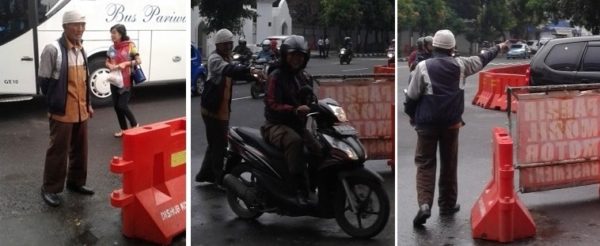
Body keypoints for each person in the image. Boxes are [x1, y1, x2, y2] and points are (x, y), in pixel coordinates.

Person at [405, 29, 509, 226]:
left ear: (433, 46)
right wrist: (499, 47)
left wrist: (412, 116)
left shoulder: (422, 66)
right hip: (451, 124)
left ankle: (424, 205)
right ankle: (447, 205)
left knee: (425, 164)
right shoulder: (461, 65)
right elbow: (483, 58)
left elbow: (411, 97)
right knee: (449, 164)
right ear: (453, 48)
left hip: (426, 124)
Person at [38, 10, 95, 207]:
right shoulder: (52, 49)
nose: (80, 29)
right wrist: (55, 103)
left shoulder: (81, 49)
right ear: (65, 27)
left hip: (81, 110)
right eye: (75, 25)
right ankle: (50, 188)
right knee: (58, 151)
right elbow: (44, 82)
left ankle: (76, 182)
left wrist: (88, 104)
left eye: (83, 25)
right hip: (62, 110)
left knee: (81, 149)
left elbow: (85, 81)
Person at [195, 29, 264, 185]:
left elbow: (237, 72)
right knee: (219, 145)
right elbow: (230, 70)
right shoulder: (214, 59)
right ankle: (219, 179)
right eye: (225, 44)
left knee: (215, 142)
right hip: (212, 109)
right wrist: (249, 70)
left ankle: (205, 174)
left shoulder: (228, 57)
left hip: (222, 108)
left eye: (230, 44)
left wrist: (253, 75)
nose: (228, 47)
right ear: (218, 45)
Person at [261, 35, 315, 205]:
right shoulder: (276, 76)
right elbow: (271, 103)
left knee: (319, 147)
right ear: (285, 55)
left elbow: (311, 98)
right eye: (293, 55)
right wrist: (294, 109)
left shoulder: (303, 76)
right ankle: (296, 189)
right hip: (276, 125)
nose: (296, 59)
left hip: (297, 124)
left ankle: (313, 185)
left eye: (300, 56)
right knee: (295, 142)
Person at [105, 24, 141, 137]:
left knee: (122, 105)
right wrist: (109, 65)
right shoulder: (112, 48)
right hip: (115, 80)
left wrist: (126, 63)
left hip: (126, 80)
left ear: (121, 34)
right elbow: (106, 61)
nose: (112, 35)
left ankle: (135, 125)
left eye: (114, 33)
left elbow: (139, 60)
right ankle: (124, 129)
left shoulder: (130, 46)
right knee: (116, 106)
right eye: (111, 33)